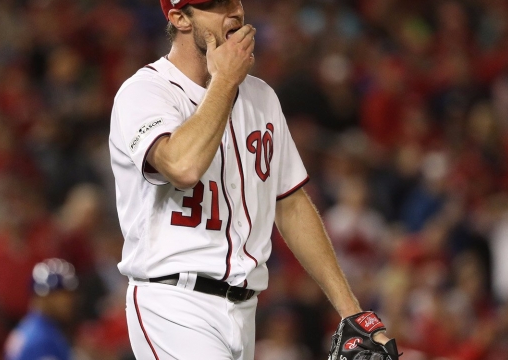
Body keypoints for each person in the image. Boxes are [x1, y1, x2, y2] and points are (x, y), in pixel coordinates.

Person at [108, 0, 394, 358]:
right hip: (172, 303)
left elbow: (290, 204)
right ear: (179, 18)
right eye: (213, 5)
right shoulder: (146, 92)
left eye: (234, 1)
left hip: (244, 310)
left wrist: (351, 310)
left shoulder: (261, 98)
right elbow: (182, 167)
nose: (233, 12)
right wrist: (225, 80)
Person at [3, 258, 78, 360]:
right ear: (41, 297)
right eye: (59, 294)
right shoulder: (42, 339)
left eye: (69, 294)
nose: (68, 301)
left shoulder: (30, 328)